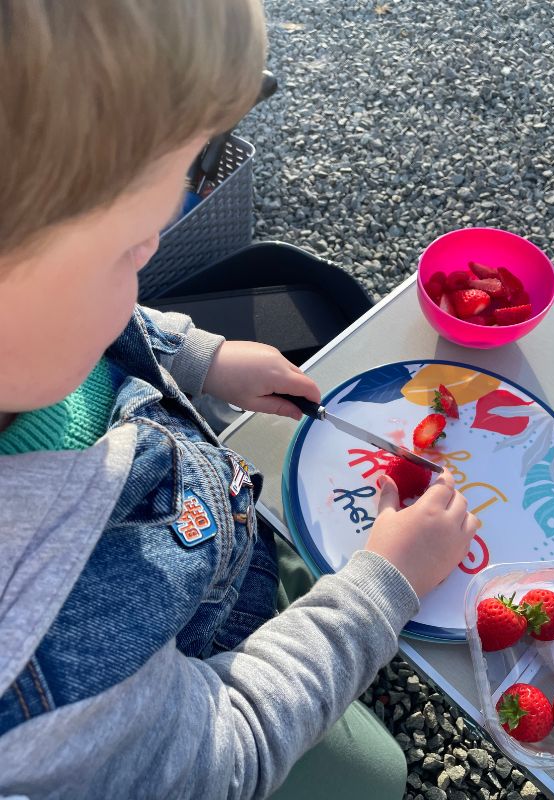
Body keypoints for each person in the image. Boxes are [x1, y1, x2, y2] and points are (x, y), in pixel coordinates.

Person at [0, 2, 479, 798]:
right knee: (378, 775)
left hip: (211, 542)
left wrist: (200, 356)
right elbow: (235, 744)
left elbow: (105, 322)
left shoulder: (34, 336)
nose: (153, 256)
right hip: (198, 699)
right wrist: (381, 590)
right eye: (132, 246)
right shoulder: (41, 682)